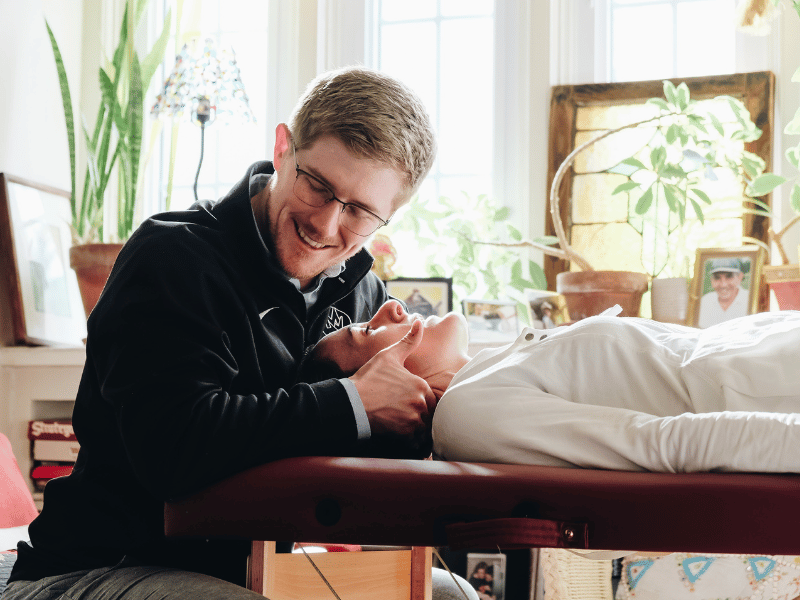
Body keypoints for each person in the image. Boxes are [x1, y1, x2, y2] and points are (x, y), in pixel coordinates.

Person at [2, 66, 479, 600]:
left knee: (451, 594)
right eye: (318, 185)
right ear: (282, 149)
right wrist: (353, 403)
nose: (326, 225)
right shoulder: (173, 259)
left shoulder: (360, 294)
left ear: (389, 216)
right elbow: (173, 451)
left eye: (361, 211)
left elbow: (366, 461)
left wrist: (423, 416)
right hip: (95, 567)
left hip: (248, 574)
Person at [305, 300, 800, 474]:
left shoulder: (490, 368)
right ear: (384, 380)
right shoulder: (470, 413)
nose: (390, 308)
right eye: (368, 332)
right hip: (771, 387)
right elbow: (663, 443)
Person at [697, 257, 750, 328]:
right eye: (717, 277)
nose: (723, 285)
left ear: (740, 277)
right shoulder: (705, 301)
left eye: (729, 276)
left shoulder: (749, 300)